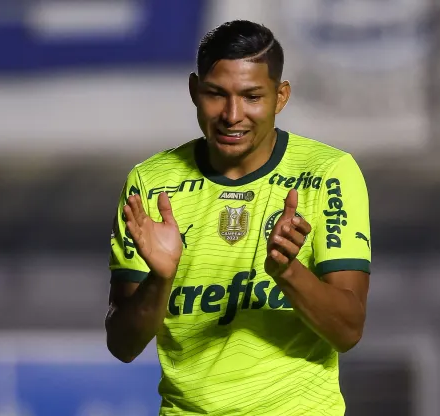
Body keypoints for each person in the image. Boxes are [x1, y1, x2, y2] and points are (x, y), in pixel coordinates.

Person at [106, 20, 372, 416]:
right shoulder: (151, 182)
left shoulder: (328, 173)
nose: (233, 115)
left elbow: (348, 331)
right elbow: (123, 345)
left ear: (280, 97)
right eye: (216, 95)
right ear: (195, 91)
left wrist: (288, 272)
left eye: (252, 97)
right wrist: (161, 279)